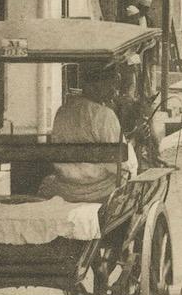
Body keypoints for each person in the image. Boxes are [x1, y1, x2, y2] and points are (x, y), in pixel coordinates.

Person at [42, 72, 131, 204]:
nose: (113, 89)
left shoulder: (62, 111)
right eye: (109, 84)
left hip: (65, 186)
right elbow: (121, 164)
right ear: (93, 87)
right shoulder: (104, 115)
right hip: (100, 189)